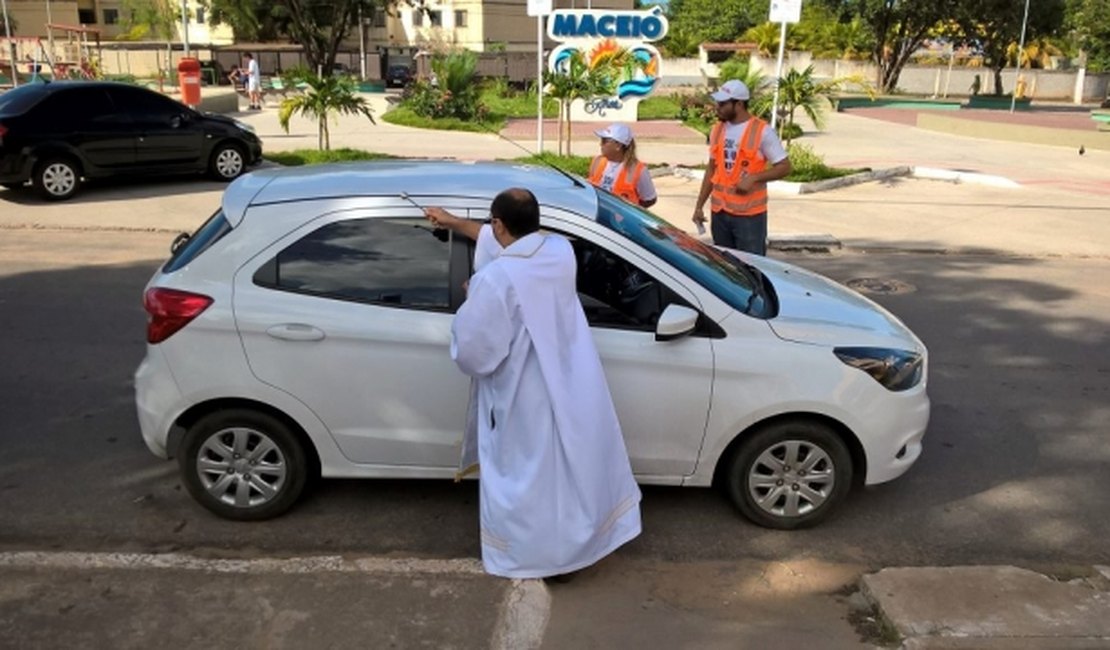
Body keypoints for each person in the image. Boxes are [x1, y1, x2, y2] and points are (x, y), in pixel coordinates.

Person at [427, 190, 642, 580]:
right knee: (562, 477)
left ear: (498, 225)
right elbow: (512, 246)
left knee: (527, 481)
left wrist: (471, 299)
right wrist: (455, 222)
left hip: (523, 395)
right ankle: (574, 549)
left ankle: (535, 557)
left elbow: (474, 354)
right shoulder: (560, 252)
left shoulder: (494, 280)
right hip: (569, 381)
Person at [692, 79, 792, 255]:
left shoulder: (762, 131)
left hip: (749, 217)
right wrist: (699, 206)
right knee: (726, 268)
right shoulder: (717, 130)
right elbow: (712, 169)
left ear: (738, 104)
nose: (718, 107)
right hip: (720, 213)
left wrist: (754, 178)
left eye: (722, 104)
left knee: (752, 268)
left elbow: (784, 167)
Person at [589, 124, 658, 209]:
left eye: (605, 141)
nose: (600, 144)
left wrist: (630, 210)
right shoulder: (597, 161)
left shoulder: (639, 170)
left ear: (618, 146)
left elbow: (650, 199)